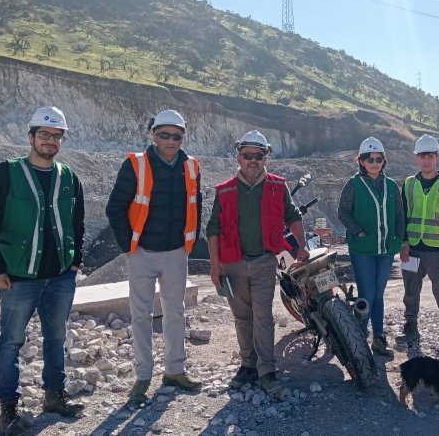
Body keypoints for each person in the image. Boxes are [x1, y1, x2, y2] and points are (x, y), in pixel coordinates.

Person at [0, 106, 85, 435]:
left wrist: (74, 261)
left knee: (56, 338)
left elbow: (77, 223)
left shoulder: (69, 176)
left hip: (59, 277)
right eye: (45, 134)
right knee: (11, 341)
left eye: (57, 136)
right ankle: (8, 409)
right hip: (19, 276)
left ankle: (54, 396)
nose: (51, 141)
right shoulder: (6, 172)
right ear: (31, 136)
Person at [106, 109, 203, 405]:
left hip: (176, 252)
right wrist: (129, 247)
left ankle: (174, 370)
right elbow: (115, 208)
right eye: (165, 135)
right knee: (141, 315)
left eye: (177, 136)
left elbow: (196, 205)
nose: (171, 141)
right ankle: (143, 375)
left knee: (175, 313)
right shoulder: (135, 164)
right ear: (153, 134)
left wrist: (190, 242)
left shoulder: (192, 166)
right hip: (143, 252)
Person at [206, 130, 308, 399]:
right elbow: (213, 228)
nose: (252, 160)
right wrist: (215, 266)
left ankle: (266, 369)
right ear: (238, 157)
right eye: (247, 155)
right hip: (233, 263)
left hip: (264, 261)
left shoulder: (278, 185)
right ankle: (247, 365)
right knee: (242, 317)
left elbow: (292, 215)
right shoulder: (225, 189)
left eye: (258, 156)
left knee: (263, 315)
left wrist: (301, 244)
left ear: (266, 158)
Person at [337, 137, 404, 357]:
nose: (374, 162)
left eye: (378, 158)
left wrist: (399, 240)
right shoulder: (353, 184)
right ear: (361, 161)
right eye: (369, 159)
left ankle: (378, 337)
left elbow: (399, 215)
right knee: (367, 292)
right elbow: (343, 213)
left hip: (385, 249)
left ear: (383, 161)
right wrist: (358, 231)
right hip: (363, 250)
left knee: (379, 293)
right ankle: (358, 337)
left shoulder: (392, 185)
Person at [398, 134, 439, 356]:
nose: (426, 160)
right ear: (417, 158)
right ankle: (411, 328)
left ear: (437, 157)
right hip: (412, 249)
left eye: (430, 156)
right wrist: (403, 243)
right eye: (422, 156)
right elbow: (402, 216)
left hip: (437, 251)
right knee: (410, 290)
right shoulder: (408, 184)